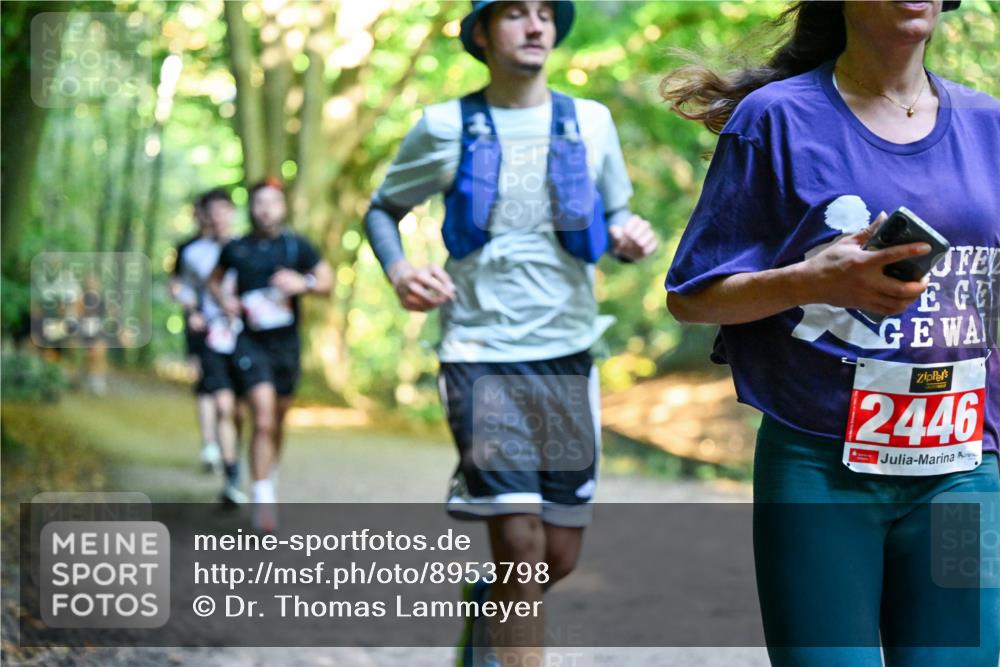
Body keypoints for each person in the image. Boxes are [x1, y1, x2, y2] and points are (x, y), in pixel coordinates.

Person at [662, 1, 998, 665]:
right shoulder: (777, 120)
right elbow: (691, 297)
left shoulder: (989, 124)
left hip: (964, 472)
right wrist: (812, 280)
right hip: (820, 468)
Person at [364, 2, 658, 664]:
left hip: (569, 355)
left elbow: (618, 213)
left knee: (557, 553)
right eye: (515, 13)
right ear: (480, 33)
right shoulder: (446, 126)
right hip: (479, 354)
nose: (535, 26)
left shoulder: (590, 122)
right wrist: (400, 269)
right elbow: (382, 210)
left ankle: (488, 611)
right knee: (521, 545)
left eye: (545, 15)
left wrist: (631, 234)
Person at [208, 178, 332, 532]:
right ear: (251, 207)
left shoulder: (297, 247)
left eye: (272, 202)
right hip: (250, 342)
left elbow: (326, 281)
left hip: (286, 346)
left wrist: (302, 283)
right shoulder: (236, 248)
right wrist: (225, 301)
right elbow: (214, 281)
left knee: (277, 418)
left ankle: (268, 474)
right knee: (261, 416)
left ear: (283, 207)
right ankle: (262, 497)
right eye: (259, 202)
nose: (265, 209)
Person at [190, 188, 248, 506]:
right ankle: (231, 475)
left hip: (246, 339)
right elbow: (185, 289)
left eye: (224, 210)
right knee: (223, 404)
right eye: (212, 211)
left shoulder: (247, 248)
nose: (218, 217)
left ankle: (233, 461)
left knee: (239, 410)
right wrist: (193, 312)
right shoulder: (193, 253)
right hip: (212, 336)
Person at [170, 195, 223, 472]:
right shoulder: (187, 249)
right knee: (205, 383)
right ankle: (209, 444)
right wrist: (191, 310)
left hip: (231, 325)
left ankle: (225, 444)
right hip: (198, 325)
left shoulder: (233, 245)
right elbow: (176, 284)